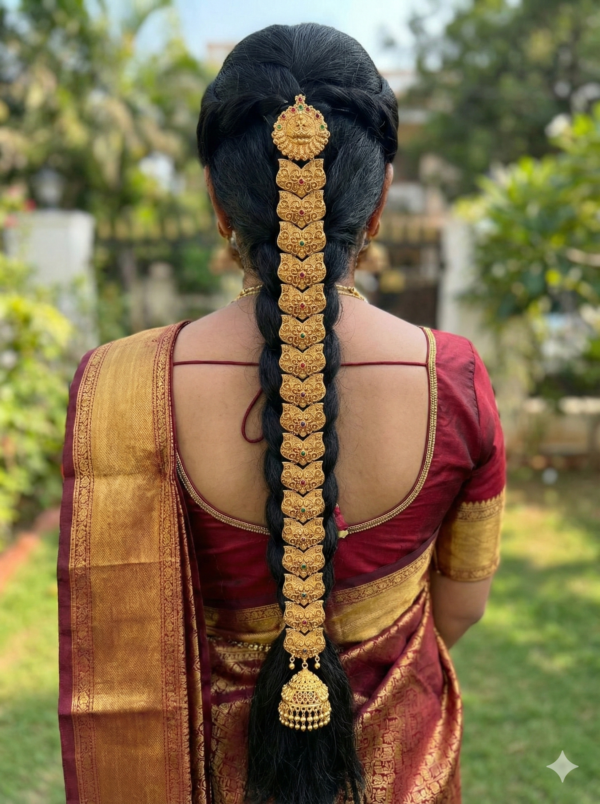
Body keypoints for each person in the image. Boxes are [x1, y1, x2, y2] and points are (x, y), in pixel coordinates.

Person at [58, 23, 505, 804]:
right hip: (399, 769)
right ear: (379, 200)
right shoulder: (455, 379)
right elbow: (460, 608)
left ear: (216, 199)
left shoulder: (117, 385)